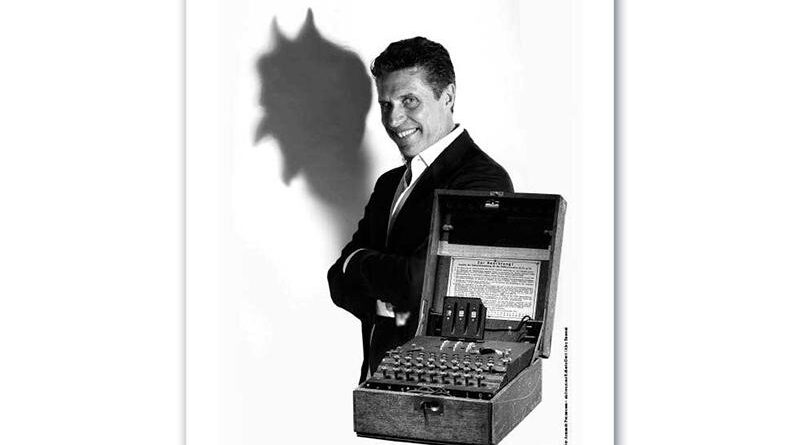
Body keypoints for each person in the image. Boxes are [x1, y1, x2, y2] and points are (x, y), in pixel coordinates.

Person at [327, 37, 514, 382]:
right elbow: (336, 282)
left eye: (409, 101)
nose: (394, 119)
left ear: (448, 96)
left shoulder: (483, 180)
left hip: (439, 391)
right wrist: (387, 291)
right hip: (378, 386)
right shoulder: (389, 184)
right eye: (386, 104)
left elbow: (420, 283)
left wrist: (356, 262)